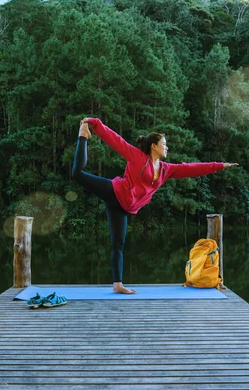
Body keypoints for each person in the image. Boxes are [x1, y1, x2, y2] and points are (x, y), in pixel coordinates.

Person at [71, 117, 239, 294]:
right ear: (153, 146)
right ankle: (83, 135)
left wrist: (220, 166)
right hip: (115, 192)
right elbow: (115, 140)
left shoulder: (166, 170)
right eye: (164, 144)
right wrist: (94, 123)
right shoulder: (137, 157)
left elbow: (192, 168)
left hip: (124, 207)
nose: (167, 147)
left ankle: (117, 284)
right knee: (77, 174)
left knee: (118, 244)